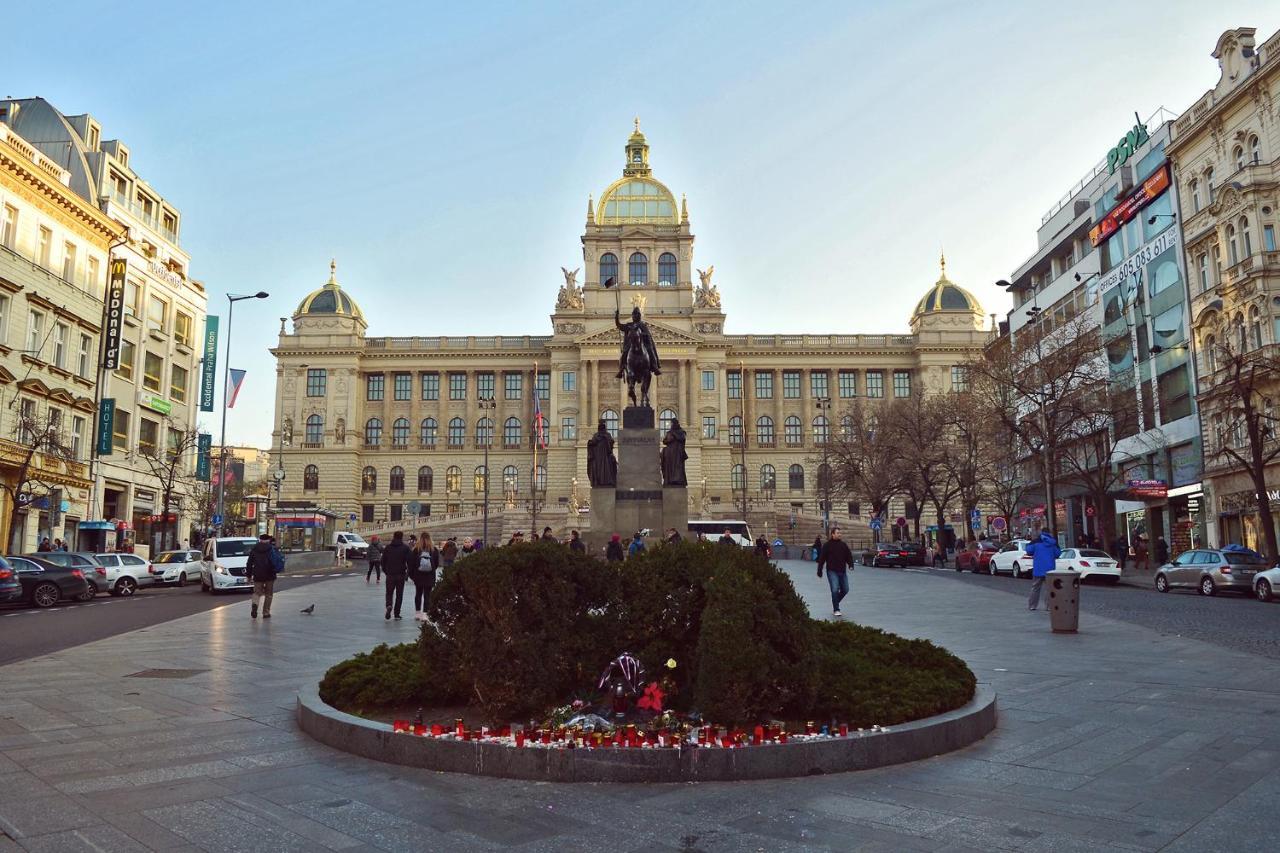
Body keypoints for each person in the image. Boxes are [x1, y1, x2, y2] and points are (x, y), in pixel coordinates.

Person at [816, 527, 855, 618]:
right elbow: (822, 558)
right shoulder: (827, 545)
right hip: (832, 571)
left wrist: (851, 565)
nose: (839, 534)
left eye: (840, 533)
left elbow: (848, 556)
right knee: (834, 589)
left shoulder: (843, 545)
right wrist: (819, 570)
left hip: (842, 571)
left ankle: (835, 600)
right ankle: (836, 609)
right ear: (832, 534)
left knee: (845, 589)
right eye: (837, 533)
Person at [1025, 528, 1062, 611]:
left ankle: (1032, 606)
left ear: (1042, 532)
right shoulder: (1053, 542)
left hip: (1038, 569)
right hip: (1050, 570)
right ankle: (1049, 607)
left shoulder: (1036, 541)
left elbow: (1028, 551)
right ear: (1049, 533)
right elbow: (1058, 553)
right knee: (1049, 588)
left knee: (1035, 588)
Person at [380, 530, 412, 620]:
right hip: (401, 574)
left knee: (389, 593)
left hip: (390, 574)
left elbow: (382, 561)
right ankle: (397, 614)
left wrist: (386, 571)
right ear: (401, 537)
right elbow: (410, 561)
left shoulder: (388, 548)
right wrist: (408, 573)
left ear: (393, 537)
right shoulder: (405, 548)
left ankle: (389, 605)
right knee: (399, 594)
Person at [246, 534, 277, 619]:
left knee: (257, 593)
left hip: (258, 574)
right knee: (268, 594)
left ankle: (255, 605)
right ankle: (266, 612)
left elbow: (249, 563)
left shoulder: (254, 549)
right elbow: (276, 561)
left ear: (260, 540)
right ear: (268, 540)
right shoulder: (271, 549)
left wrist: (248, 575)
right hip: (270, 574)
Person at [410, 533, 439, 622]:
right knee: (427, 595)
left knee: (418, 593)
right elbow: (436, 564)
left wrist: (412, 575)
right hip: (429, 576)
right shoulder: (434, 550)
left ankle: (417, 613)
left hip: (418, 576)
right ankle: (425, 614)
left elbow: (411, 564)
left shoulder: (416, 550)